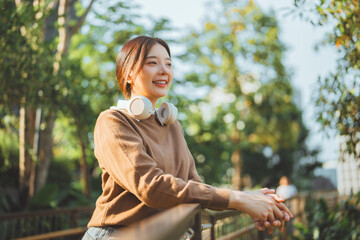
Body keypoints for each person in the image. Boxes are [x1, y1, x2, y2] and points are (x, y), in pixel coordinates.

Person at [82, 36, 293, 240]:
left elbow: (193, 185)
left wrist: (251, 201)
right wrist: (239, 199)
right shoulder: (113, 121)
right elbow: (152, 187)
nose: (164, 70)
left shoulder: (171, 124)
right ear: (128, 74)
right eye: (153, 63)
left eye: (168, 64)